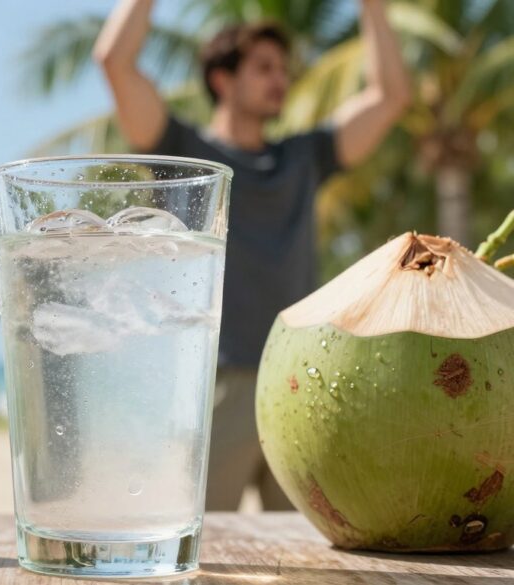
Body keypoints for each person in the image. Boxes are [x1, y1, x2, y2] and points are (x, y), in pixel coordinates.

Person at [94, 0, 411, 510]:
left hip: (299, 380)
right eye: (264, 68)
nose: (280, 79)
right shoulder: (183, 156)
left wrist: (372, 7)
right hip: (215, 383)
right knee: (202, 549)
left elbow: (391, 96)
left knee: (302, 553)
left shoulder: (304, 157)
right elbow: (113, 60)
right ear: (222, 79)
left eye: (284, 69)